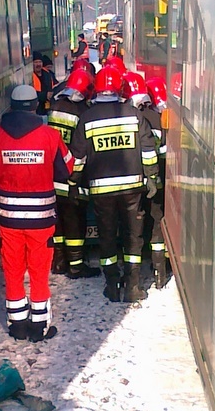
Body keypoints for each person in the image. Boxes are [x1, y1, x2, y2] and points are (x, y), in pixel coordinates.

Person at [0, 85, 74, 341]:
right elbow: (66, 169)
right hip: (41, 219)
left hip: (9, 217)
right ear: (34, 106)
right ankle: (39, 325)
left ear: (11, 106)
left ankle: (17, 324)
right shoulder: (50, 136)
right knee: (39, 270)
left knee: (12, 268)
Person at [68, 66, 158, 302]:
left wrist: (73, 183)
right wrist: (152, 178)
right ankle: (133, 286)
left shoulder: (87, 119)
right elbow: (148, 150)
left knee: (107, 236)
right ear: (120, 88)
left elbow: (78, 158)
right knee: (132, 236)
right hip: (132, 189)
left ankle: (111, 285)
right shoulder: (134, 114)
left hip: (101, 191)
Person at [47, 69, 100, 279]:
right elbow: (81, 150)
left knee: (58, 221)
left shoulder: (55, 108)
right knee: (75, 222)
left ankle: (59, 261)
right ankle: (76, 266)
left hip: (53, 175)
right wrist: (76, 179)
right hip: (72, 178)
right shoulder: (82, 113)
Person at [145, 76, 170, 288]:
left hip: (142, 183)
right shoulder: (165, 119)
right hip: (162, 183)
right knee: (158, 227)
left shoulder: (140, 117)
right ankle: (160, 272)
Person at [32, 51, 55, 115]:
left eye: (40, 62)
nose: (38, 64)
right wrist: (45, 95)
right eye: (36, 62)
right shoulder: (30, 76)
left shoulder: (47, 74)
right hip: (37, 110)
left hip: (48, 108)